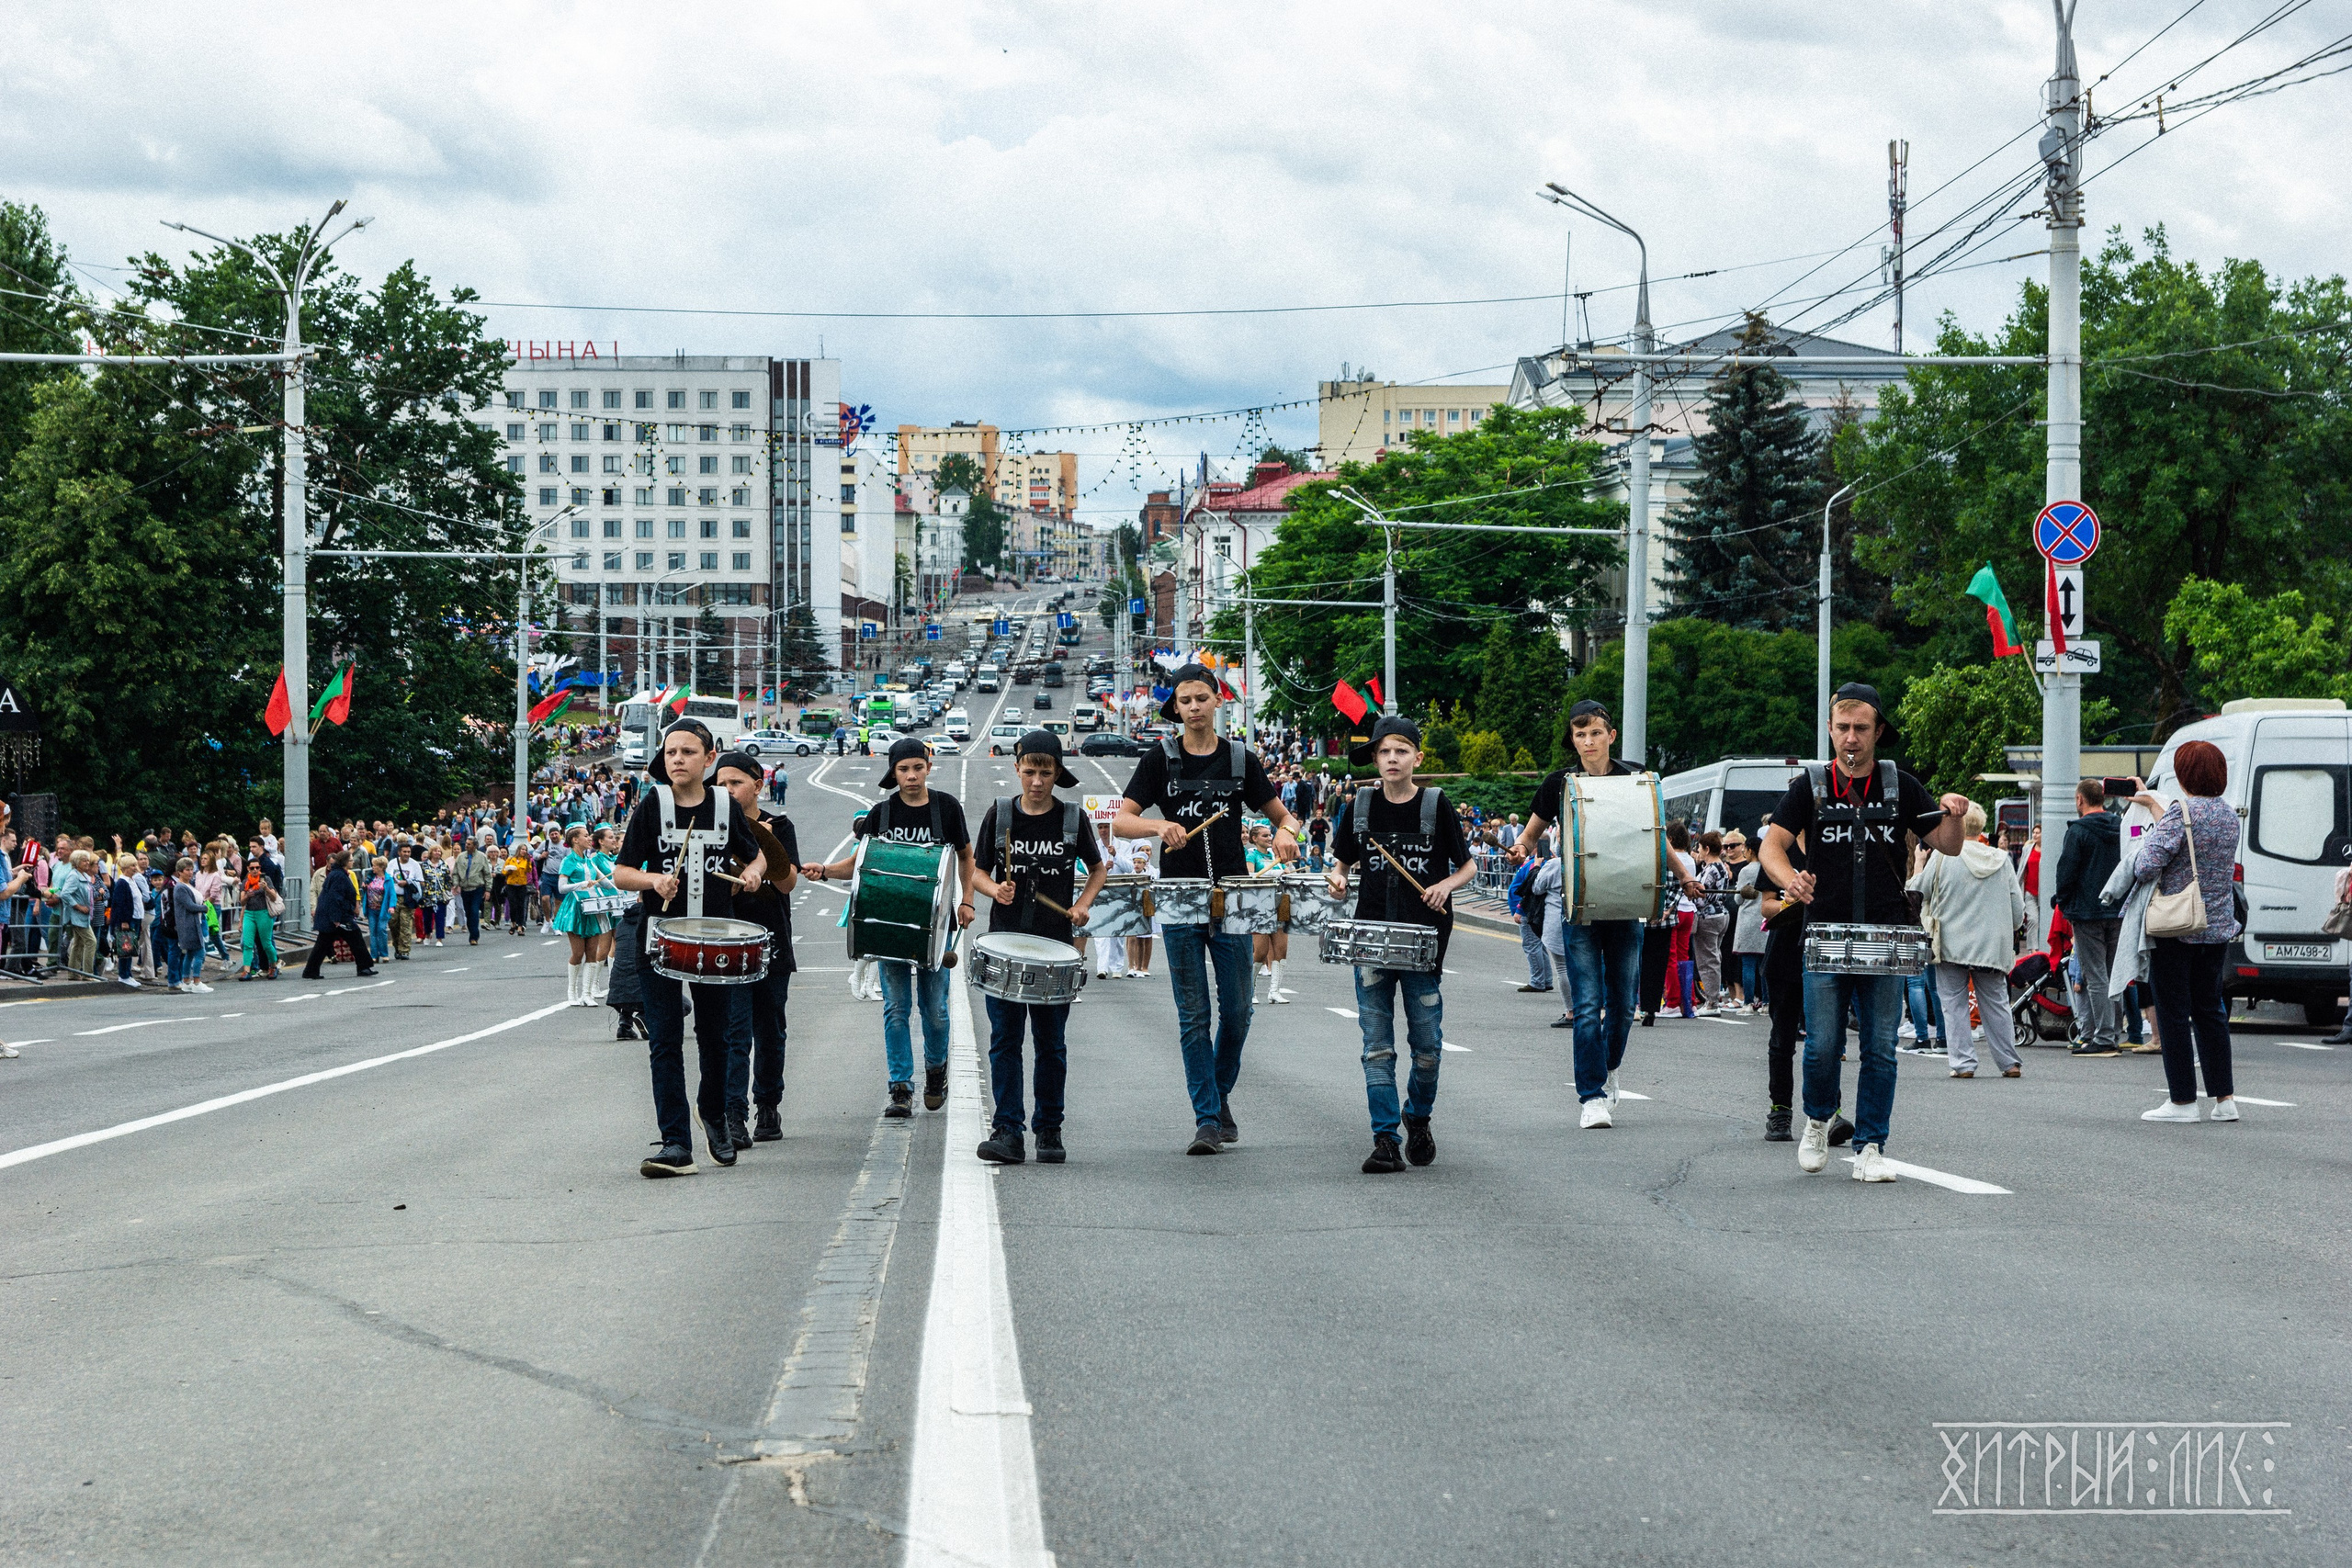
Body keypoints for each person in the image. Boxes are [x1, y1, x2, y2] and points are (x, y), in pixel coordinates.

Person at [1758, 683, 1969, 1182]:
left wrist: (1955, 816)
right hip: (1826, 930)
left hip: (1888, 935)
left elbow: (1949, 846)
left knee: (1879, 1046)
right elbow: (1772, 847)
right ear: (1831, 730)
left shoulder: (1901, 785)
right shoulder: (1809, 785)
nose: (1851, 738)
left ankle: (1872, 1145)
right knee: (1823, 1043)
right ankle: (1817, 1119)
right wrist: (1792, 880)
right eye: (1843, 728)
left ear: (1878, 733)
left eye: (1862, 729)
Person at [1111, 663, 1304, 1156]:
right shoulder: (1161, 757)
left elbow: (1288, 819)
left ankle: (1217, 1100)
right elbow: (1122, 822)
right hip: (1181, 898)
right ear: (1174, 707)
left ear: (1219, 701)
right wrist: (1158, 829)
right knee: (1193, 1015)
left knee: (1238, 1011)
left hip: (1235, 900)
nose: (1194, 707)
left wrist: (1285, 832)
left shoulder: (1241, 759)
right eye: (1185, 700)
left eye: (1202, 698)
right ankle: (1207, 1118)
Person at [1518, 700, 1694, 1129]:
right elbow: (1531, 831)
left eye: (1596, 733)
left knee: (1622, 1005)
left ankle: (1610, 1066)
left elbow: (1656, 837)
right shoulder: (1560, 783)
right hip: (1578, 907)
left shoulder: (1635, 779)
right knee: (1588, 1002)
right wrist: (1521, 849)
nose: (1588, 741)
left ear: (1610, 736)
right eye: (1580, 735)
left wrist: (1684, 877)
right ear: (1573, 740)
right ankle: (1591, 1096)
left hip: (1626, 905)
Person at [613, 717, 768, 1176]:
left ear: (709, 758)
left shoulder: (724, 805)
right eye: (671, 752)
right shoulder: (652, 805)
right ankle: (675, 1143)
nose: (677, 759)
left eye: (687, 752)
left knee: (715, 1037)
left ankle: (714, 1114)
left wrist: (755, 871)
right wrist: (653, 879)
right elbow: (623, 872)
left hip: (716, 935)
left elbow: (754, 853)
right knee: (664, 1040)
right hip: (659, 939)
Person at [1326, 717, 1476, 1174]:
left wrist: (1446, 886)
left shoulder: (1435, 804)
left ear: (1417, 758)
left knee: (1427, 1045)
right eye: (1385, 752)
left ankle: (1419, 1116)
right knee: (1377, 1046)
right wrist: (1337, 877)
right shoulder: (1360, 806)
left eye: (1401, 751)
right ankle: (1386, 1138)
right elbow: (1341, 861)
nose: (1392, 759)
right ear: (1375, 760)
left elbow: (1466, 866)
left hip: (1424, 943)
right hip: (1371, 938)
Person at [803, 736, 974, 1120]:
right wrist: (825, 870)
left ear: (929, 766)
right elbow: (858, 862)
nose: (911, 776)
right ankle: (900, 1089)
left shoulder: (946, 808)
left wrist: (966, 901)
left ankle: (935, 1071)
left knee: (935, 1010)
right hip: (889, 922)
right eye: (903, 769)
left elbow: (966, 857)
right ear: (893, 772)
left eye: (917, 767)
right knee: (896, 1008)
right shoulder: (881, 813)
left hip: (935, 925)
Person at [969, 731, 1108, 1166]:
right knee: (1004, 1040)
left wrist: (1082, 905)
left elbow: (1098, 868)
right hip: (1006, 945)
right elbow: (976, 871)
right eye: (1029, 771)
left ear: (1057, 773)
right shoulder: (1001, 814)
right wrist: (995, 889)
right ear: (1017, 769)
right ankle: (1007, 1130)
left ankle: (1049, 1129)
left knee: (1051, 1043)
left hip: (1055, 948)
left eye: (1045, 773)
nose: (1036, 781)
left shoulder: (1071, 818)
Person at [2128, 745, 2243, 1123]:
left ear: (2185, 774)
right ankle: (2224, 1100)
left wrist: (2155, 823)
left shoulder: (2182, 813)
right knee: (2210, 1009)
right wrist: (2157, 808)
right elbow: (2192, 837)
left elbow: (2147, 865)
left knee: (2173, 1012)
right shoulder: (2229, 815)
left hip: (2177, 925)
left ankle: (2182, 1102)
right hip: (2217, 925)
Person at [713, 752, 800, 1147]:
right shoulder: (712, 827)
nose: (726, 791)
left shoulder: (779, 826)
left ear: (757, 786)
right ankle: (733, 1114)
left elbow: (787, 884)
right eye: (720, 784)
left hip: (771, 939)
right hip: (727, 943)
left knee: (771, 1029)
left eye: (735, 783)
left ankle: (768, 1103)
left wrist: (763, 842)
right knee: (734, 1031)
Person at [1910, 802, 2025, 1079]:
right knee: (1996, 1002)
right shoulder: (2001, 860)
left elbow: (1916, 892)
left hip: (1950, 943)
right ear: (1982, 827)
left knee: (1953, 1003)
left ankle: (1963, 1064)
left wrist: (1918, 864)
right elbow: (2018, 911)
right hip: (1990, 947)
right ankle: (2009, 1062)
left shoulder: (1942, 856)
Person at [2054, 778, 2127, 1058]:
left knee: (2095, 975)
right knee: (2113, 974)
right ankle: (2114, 1033)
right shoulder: (2121, 827)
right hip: (2118, 909)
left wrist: (2061, 900)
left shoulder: (2078, 831)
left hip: (2086, 912)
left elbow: (2066, 872)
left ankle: (2104, 1036)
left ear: (2079, 800)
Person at [550, 825, 610, 1007]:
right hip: (575, 908)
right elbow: (561, 888)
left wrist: (619, 881)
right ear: (575, 840)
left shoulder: (590, 861)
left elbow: (606, 883)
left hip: (592, 907)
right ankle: (572, 991)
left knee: (592, 952)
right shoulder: (568, 861)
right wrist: (582, 884)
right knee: (578, 953)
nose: (589, 838)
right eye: (585, 836)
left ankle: (587, 994)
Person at [1508, 844, 1554, 994]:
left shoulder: (1535, 864)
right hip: (1532, 910)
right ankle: (1546, 980)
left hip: (1528, 910)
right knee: (1540, 946)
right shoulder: (1536, 862)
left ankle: (1537, 981)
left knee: (1531, 945)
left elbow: (1530, 888)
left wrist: (1519, 909)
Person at [451, 834, 495, 945]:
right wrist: (456, 884)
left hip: (477, 888)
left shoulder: (481, 857)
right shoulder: (461, 857)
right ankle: (472, 931)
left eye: (469, 844)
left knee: (475, 911)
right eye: (466, 844)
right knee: (468, 913)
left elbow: (487, 875)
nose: (466, 846)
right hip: (465, 889)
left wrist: (488, 890)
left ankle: (474, 936)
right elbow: (456, 873)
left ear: (475, 846)